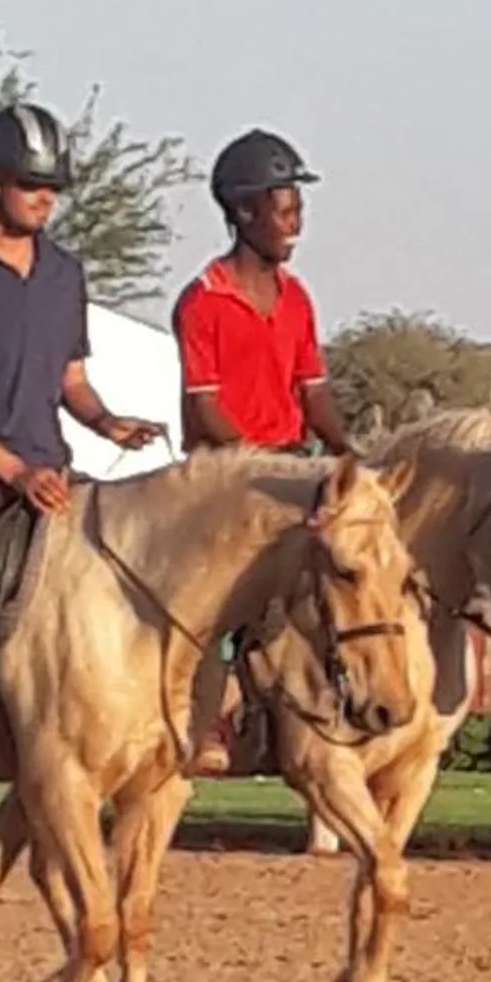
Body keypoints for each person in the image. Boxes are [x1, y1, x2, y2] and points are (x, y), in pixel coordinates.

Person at [0, 102, 163, 815]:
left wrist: (107, 422)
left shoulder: (64, 275)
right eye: (30, 184)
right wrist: (12, 471)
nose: (45, 198)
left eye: (53, 187)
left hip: (52, 466)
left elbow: (70, 378)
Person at [172, 129, 352, 783]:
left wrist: (350, 454)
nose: (296, 224)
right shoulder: (203, 301)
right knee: (218, 604)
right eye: (285, 210)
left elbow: (314, 393)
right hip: (226, 479)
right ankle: (208, 721)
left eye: (298, 210)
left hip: (290, 471)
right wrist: (260, 462)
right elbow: (204, 408)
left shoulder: (297, 298)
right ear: (244, 211)